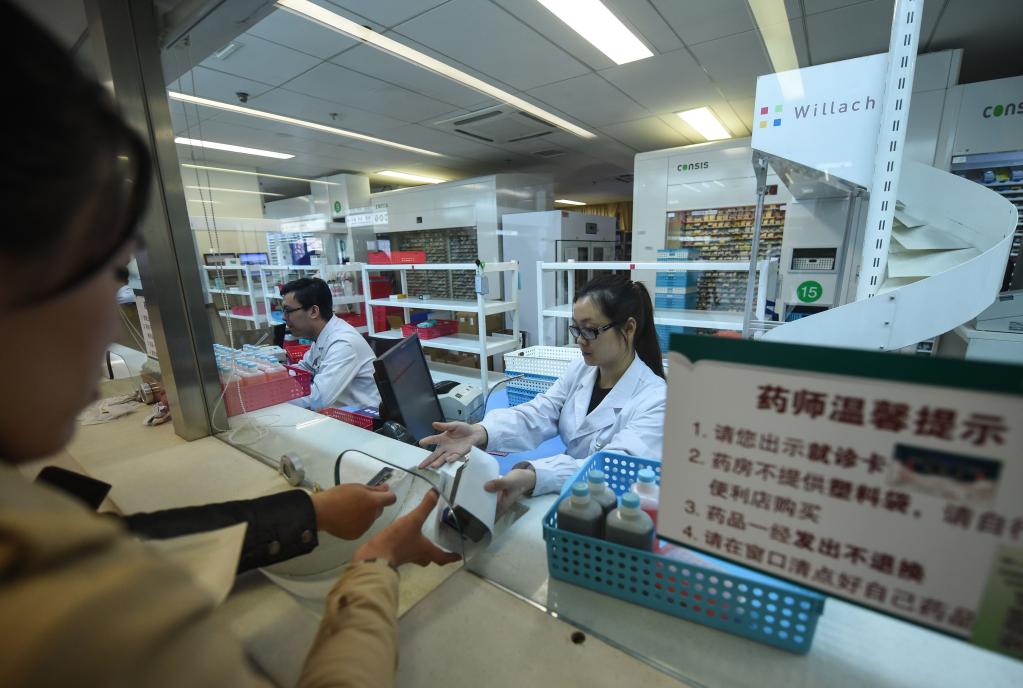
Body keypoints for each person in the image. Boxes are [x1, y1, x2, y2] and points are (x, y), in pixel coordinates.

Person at [0, 4, 458, 686]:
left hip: (355, 424)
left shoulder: (44, 550)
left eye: (121, 273)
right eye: (112, 271)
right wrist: (371, 569)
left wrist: (305, 513)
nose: (116, 318)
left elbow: (128, 540)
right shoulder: (71, 607)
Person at [419, 273, 667, 508]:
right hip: (570, 493)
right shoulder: (581, 370)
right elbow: (541, 412)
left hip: (615, 508)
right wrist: (480, 432)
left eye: (590, 330)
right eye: (576, 329)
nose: (580, 340)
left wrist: (536, 476)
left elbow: (613, 468)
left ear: (629, 329)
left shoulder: (657, 400)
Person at [282, 276, 381, 410]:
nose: (283, 317)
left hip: (361, 417)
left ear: (313, 311)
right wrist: (274, 374)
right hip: (339, 411)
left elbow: (318, 400)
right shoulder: (323, 335)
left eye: (288, 311)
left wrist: (277, 394)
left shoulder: (343, 343)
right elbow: (304, 369)